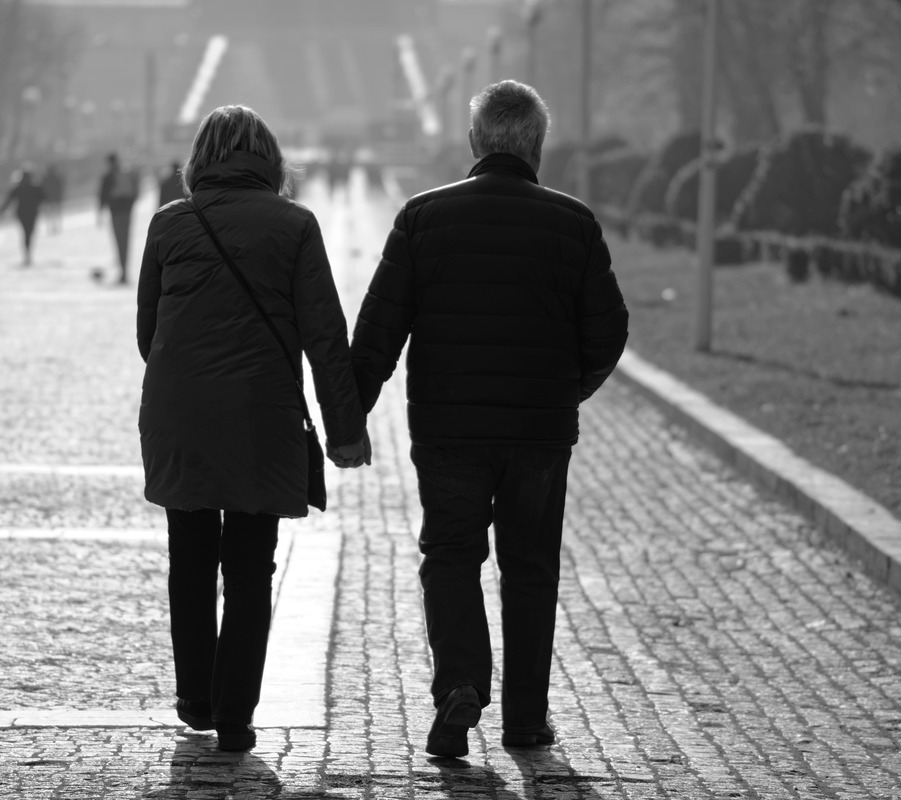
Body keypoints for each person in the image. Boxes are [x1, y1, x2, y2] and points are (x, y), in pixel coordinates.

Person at [349, 80, 629, 759]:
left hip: (448, 429)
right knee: (530, 569)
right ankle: (527, 721)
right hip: (538, 432)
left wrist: (346, 416)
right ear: (538, 144)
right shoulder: (573, 223)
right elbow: (608, 329)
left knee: (449, 556)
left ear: (474, 142)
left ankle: (461, 684)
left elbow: (380, 329)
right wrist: (571, 390)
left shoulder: (423, 217)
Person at [137, 104, 371, 753]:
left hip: (179, 414)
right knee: (248, 564)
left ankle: (195, 696)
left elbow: (145, 334)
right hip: (260, 416)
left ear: (198, 161)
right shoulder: (295, 225)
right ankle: (236, 714)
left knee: (189, 556)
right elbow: (326, 336)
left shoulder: (167, 225)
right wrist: (345, 431)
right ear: (272, 162)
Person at [98, 152, 140, 284]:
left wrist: (99, 212)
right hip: (126, 210)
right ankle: (124, 271)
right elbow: (135, 192)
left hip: (116, 211)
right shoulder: (126, 174)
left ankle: (123, 272)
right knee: (125, 241)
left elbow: (102, 195)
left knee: (119, 241)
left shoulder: (109, 176)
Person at [0, 166, 45, 266]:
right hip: (32, 213)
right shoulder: (34, 188)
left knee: (26, 234)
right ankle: (28, 255)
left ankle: (27, 255)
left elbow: (8, 201)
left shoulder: (18, 188)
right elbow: (44, 197)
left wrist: (1, 211)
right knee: (29, 234)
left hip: (22, 213)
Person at [42, 163, 65, 234]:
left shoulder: (46, 179)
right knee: (54, 214)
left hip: (50, 200)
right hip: (52, 199)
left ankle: (54, 228)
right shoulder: (55, 178)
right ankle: (55, 227)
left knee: (52, 215)